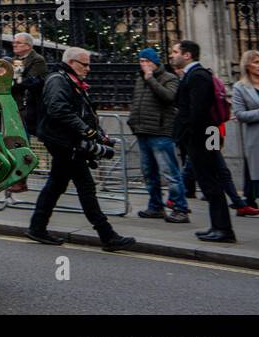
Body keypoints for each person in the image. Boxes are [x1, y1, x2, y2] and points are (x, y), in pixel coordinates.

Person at [27, 46, 135, 252]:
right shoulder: (58, 80)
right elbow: (58, 110)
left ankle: (37, 227)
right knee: (85, 187)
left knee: (56, 185)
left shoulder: (70, 81)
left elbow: (84, 112)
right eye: (84, 64)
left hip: (68, 143)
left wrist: (100, 135)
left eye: (88, 64)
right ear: (71, 62)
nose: (88, 68)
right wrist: (87, 132)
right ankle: (107, 235)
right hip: (64, 143)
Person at [171, 40, 235, 242]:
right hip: (209, 133)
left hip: (202, 136)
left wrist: (187, 136)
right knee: (211, 180)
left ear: (187, 55)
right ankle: (218, 226)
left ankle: (223, 229)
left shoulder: (197, 76)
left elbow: (196, 112)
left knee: (210, 182)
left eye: (175, 52)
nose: (172, 55)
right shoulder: (195, 74)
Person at [127, 47, 188, 222]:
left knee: (169, 172)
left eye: (147, 61)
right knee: (149, 172)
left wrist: (151, 79)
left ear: (155, 63)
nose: (144, 65)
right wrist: (132, 120)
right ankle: (155, 206)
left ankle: (180, 208)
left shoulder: (169, 78)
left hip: (161, 132)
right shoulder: (140, 79)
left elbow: (169, 97)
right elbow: (137, 101)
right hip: (142, 130)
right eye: (141, 61)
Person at [8, 32, 47, 197]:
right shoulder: (16, 60)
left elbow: (34, 82)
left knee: (23, 143)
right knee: (17, 142)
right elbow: (16, 82)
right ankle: (18, 179)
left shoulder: (37, 59)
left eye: (18, 43)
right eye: (14, 42)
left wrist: (15, 83)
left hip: (30, 108)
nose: (15, 45)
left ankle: (21, 179)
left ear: (28, 45)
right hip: (16, 107)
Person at [231, 49, 259, 212]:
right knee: (256, 171)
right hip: (256, 137)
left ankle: (248, 201)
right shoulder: (240, 87)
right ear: (247, 65)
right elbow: (238, 114)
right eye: (256, 62)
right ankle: (249, 200)